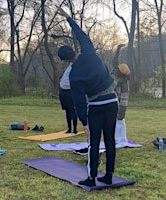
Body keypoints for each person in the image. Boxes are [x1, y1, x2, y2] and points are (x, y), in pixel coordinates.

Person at [56, 6, 119, 187]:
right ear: (74, 50)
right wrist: (68, 17)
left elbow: (79, 101)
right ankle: (108, 175)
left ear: (66, 61)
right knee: (110, 140)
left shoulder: (74, 75)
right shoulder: (89, 52)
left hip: (96, 108)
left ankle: (91, 179)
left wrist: (84, 123)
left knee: (94, 142)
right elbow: (81, 34)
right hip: (112, 102)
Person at [112, 44, 131, 148]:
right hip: (113, 102)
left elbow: (124, 101)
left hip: (119, 105)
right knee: (113, 122)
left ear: (121, 73)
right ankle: (115, 139)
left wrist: (121, 113)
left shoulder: (123, 85)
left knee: (119, 121)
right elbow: (114, 61)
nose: (115, 70)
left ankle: (122, 140)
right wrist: (118, 49)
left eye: (117, 70)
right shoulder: (116, 71)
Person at [59, 63, 77, 134]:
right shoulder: (69, 66)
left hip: (70, 91)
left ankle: (75, 129)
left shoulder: (77, 67)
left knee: (73, 110)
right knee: (67, 110)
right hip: (63, 91)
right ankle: (69, 128)